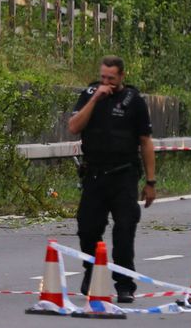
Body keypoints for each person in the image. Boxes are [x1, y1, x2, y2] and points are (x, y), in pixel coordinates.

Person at [67, 55, 156, 304]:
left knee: (124, 231)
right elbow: (74, 127)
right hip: (94, 174)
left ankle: (125, 284)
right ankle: (92, 271)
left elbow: (146, 142)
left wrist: (151, 182)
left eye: (112, 78)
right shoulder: (90, 94)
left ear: (122, 76)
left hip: (124, 175)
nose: (107, 82)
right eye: (103, 77)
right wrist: (95, 98)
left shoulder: (134, 102)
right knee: (87, 229)